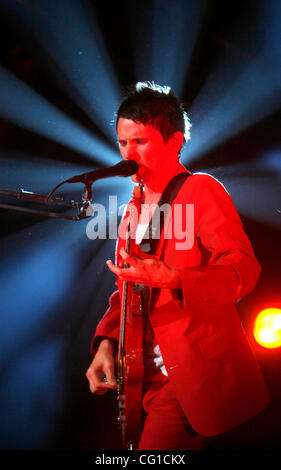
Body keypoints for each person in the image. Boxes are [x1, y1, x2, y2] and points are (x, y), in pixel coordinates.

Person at [86, 81, 270, 450]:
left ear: (174, 142)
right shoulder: (131, 212)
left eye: (140, 141)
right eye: (123, 143)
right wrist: (107, 344)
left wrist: (174, 278)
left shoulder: (201, 190)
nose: (128, 153)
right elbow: (126, 290)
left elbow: (243, 269)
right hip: (143, 379)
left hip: (186, 377)